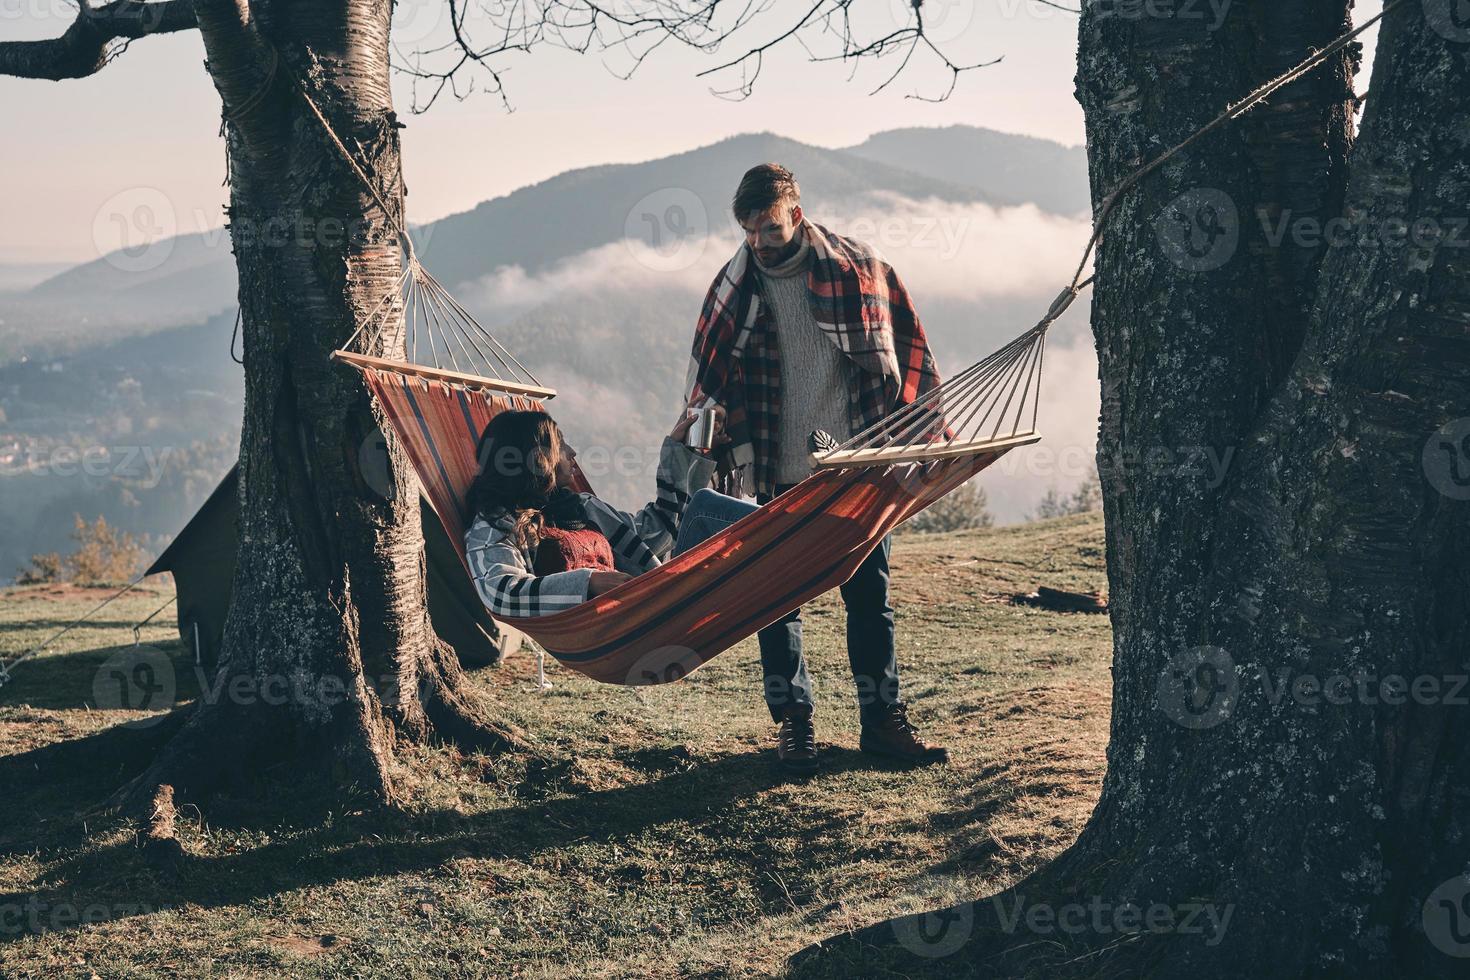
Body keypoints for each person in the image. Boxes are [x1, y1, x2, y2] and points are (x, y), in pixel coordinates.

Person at [684, 163, 949, 772]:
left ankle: (882, 725)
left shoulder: (859, 272)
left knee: (870, 599)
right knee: (776, 604)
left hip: (854, 467)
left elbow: (904, 353)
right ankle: (794, 726)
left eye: (768, 227)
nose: (758, 241)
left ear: (795, 216)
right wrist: (700, 423)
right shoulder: (734, 288)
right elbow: (708, 380)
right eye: (747, 231)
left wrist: (920, 436)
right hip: (771, 470)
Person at [463, 407, 751, 617]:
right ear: (537, 457)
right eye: (561, 444)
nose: (572, 452)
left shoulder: (579, 506)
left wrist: (681, 452)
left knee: (702, 507)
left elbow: (656, 535)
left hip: (655, 600)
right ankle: (793, 525)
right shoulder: (497, 525)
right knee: (703, 509)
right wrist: (589, 582)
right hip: (611, 627)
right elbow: (500, 591)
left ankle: (785, 533)